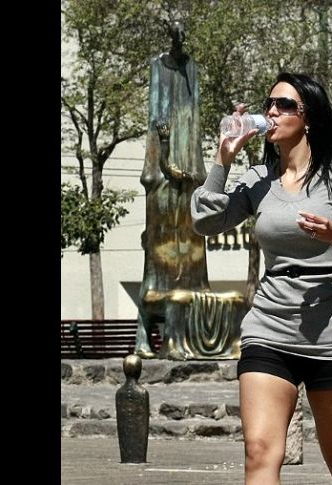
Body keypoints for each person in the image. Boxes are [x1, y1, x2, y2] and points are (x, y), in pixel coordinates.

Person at [191, 72, 332, 485]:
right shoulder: (256, 180)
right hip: (269, 327)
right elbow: (205, 222)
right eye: (270, 104)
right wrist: (223, 160)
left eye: (285, 105)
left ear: (308, 116)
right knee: (260, 453)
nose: (273, 112)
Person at [136, 20, 210, 359]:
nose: (181, 41)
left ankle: (183, 337)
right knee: (157, 264)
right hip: (164, 177)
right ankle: (146, 338)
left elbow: (190, 117)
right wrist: (160, 163)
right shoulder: (157, 67)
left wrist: (193, 167)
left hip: (186, 173)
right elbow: (157, 115)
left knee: (186, 262)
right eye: (176, 35)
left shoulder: (191, 67)